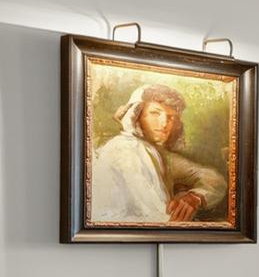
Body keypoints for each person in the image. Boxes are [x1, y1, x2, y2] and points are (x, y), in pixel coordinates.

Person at [91, 83, 226, 224]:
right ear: (136, 114)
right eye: (155, 113)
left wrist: (194, 197)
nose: (164, 123)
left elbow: (214, 180)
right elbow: (158, 217)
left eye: (171, 117)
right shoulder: (124, 147)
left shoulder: (162, 156)